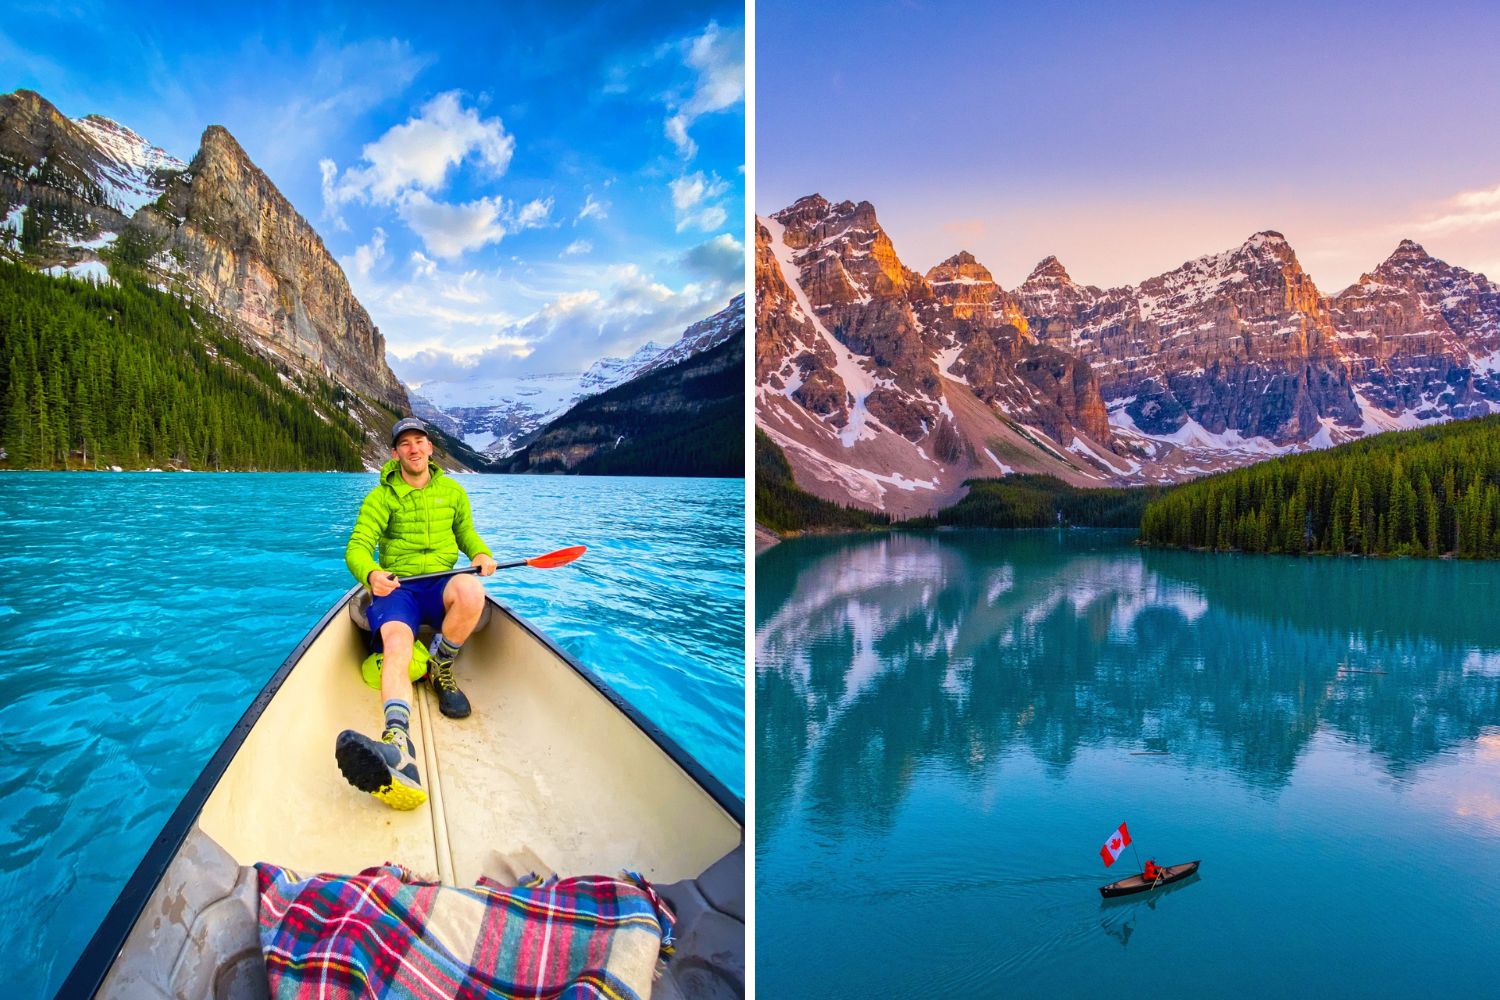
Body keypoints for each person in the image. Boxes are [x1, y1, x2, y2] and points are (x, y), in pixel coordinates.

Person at [336, 416, 498, 809]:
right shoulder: (381, 497)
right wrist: (372, 573)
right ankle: (397, 741)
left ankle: (440, 667)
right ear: (395, 453)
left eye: (419, 441)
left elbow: (467, 534)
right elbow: (357, 547)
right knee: (396, 646)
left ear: (430, 448)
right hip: (400, 588)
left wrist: (481, 553)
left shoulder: (453, 491)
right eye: (404, 443)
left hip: (442, 583)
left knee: (472, 591)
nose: (413, 448)